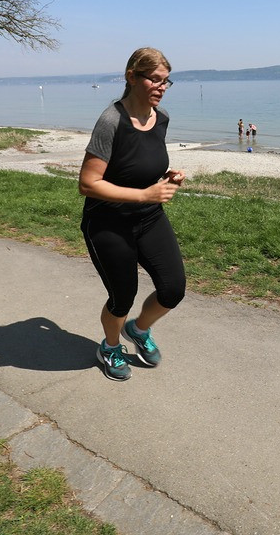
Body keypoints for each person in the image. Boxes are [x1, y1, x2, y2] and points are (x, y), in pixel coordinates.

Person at [78, 47, 186, 381]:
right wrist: (143, 194)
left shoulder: (161, 117)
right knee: (122, 297)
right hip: (108, 222)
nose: (161, 87)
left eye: (166, 81)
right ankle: (110, 347)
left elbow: (140, 163)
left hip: (149, 217)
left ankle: (138, 330)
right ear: (131, 77)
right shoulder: (112, 121)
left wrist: (167, 178)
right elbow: (87, 183)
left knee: (173, 289)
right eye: (154, 79)